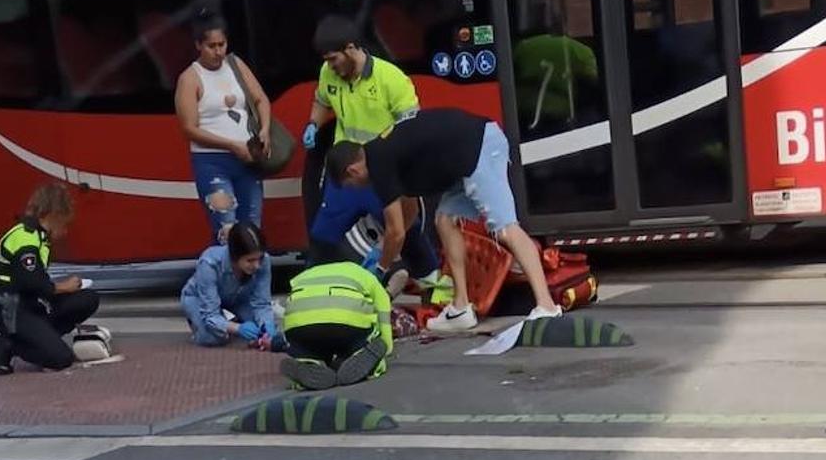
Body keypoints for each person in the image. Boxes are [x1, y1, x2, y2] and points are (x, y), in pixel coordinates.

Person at [326, 108, 561, 334]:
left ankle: (546, 306)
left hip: (480, 147)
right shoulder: (385, 153)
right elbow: (408, 214)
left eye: (351, 185)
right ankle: (460, 309)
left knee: (505, 229)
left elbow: (395, 231)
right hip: (464, 157)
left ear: (353, 171)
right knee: (444, 221)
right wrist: (383, 251)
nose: (357, 189)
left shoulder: (378, 164)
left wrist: (380, 268)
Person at [301, 15, 441, 284]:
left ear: (350, 48)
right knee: (322, 234)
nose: (329, 66)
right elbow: (321, 100)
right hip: (346, 171)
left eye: (333, 59)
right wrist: (312, 124)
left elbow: (413, 127)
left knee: (405, 230)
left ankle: (433, 282)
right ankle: (309, 287)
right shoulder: (328, 73)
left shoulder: (391, 79)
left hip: (382, 170)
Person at [175, 10, 272, 243]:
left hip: (247, 159)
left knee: (252, 229)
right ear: (199, 45)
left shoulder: (235, 64)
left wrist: (265, 130)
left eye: (222, 44)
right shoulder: (189, 78)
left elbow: (260, 99)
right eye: (212, 46)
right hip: (212, 163)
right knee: (227, 229)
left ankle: (253, 277)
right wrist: (230, 145)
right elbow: (189, 128)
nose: (218, 51)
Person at [0, 183, 100, 375]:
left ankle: (42, 338)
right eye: (64, 222)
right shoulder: (25, 238)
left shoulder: (39, 236)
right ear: (53, 215)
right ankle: (7, 345)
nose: (65, 230)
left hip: (31, 302)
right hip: (13, 309)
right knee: (61, 359)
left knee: (88, 299)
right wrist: (66, 287)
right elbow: (36, 284)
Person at [280, 261, 393, 390]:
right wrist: (385, 344)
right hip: (346, 325)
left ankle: (308, 362)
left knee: (310, 347)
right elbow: (383, 305)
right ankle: (362, 357)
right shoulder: (364, 274)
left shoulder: (304, 275)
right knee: (362, 332)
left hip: (299, 326)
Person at [180, 221, 278, 347]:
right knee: (213, 337)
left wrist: (267, 325)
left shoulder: (264, 261)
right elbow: (210, 312)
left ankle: (232, 322)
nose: (257, 265)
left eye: (260, 259)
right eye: (250, 260)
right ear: (234, 256)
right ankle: (199, 325)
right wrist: (238, 328)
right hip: (198, 298)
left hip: (240, 299)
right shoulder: (209, 263)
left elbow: (261, 302)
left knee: (262, 329)